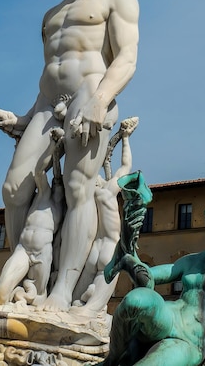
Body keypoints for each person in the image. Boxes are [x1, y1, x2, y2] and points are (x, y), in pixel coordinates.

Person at [0, 0, 139, 312]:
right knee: (14, 189)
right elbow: (48, 77)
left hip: (91, 95)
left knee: (77, 188)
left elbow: (126, 58)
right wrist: (21, 119)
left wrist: (101, 99)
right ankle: (35, 278)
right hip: (49, 106)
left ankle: (62, 293)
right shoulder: (52, 15)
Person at [101, 194, 205, 366]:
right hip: (169, 317)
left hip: (192, 341)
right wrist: (131, 257)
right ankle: (111, 360)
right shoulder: (191, 261)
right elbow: (151, 277)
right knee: (135, 300)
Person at [71, 117, 138, 316]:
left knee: (75, 299)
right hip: (110, 246)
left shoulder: (86, 195)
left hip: (93, 249)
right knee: (94, 305)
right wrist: (126, 139)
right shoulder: (109, 190)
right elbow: (126, 165)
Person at [0, 128, 65, 307]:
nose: (59, 184)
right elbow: (40, 172)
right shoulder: (44, 195)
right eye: (59, 182)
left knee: (39, 298)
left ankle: (21, 303)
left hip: (44, 254)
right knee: (1, 290)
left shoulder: (64, 211)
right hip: (23, 250)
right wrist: (52, 147)